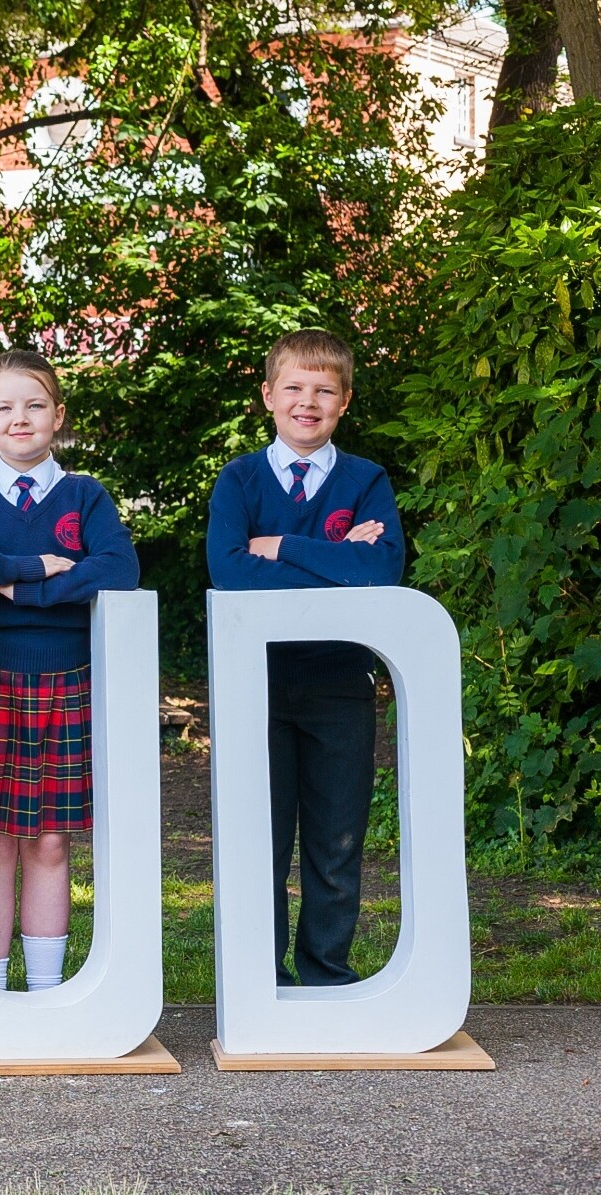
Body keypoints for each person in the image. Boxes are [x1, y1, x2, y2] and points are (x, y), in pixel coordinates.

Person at [0, 349, 139, 992]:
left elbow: (118, 570)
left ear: (58, 416)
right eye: (6, 407)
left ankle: (45, 991)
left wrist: (21, 594)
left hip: (66, 681)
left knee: (48, 841)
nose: (21, 418)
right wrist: (30, 566)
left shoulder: (85, 496)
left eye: (35, 405)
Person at [206, 328, 404, 986]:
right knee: (260, 842)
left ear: (345, 401)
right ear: (268, 395)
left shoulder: (366, 479)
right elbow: (229, 574)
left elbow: (379, 570)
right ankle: (265, 984)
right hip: (254, 687)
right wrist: (332, 558)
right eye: (293, 387)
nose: (307, 401)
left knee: (335, 843)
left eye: (323, 390)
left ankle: (326, 975)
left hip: (340, 683)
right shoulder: (238, 481)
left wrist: (281, 546)